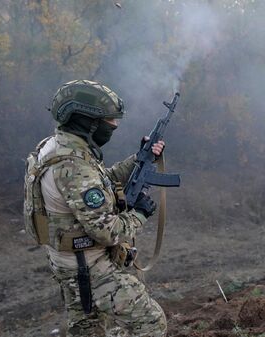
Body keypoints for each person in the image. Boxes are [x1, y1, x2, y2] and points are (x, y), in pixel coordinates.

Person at [23, 80, 167, 336]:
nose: (114, 125)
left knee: (87, 331)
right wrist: (140, 214)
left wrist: (139, 158)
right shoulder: (74, 166)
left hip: (68, 262)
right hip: (89, 268)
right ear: (87, 121)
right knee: (151, 324)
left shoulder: (57, 147)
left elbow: (103, 182)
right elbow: (108, 231)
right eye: (109, 120)